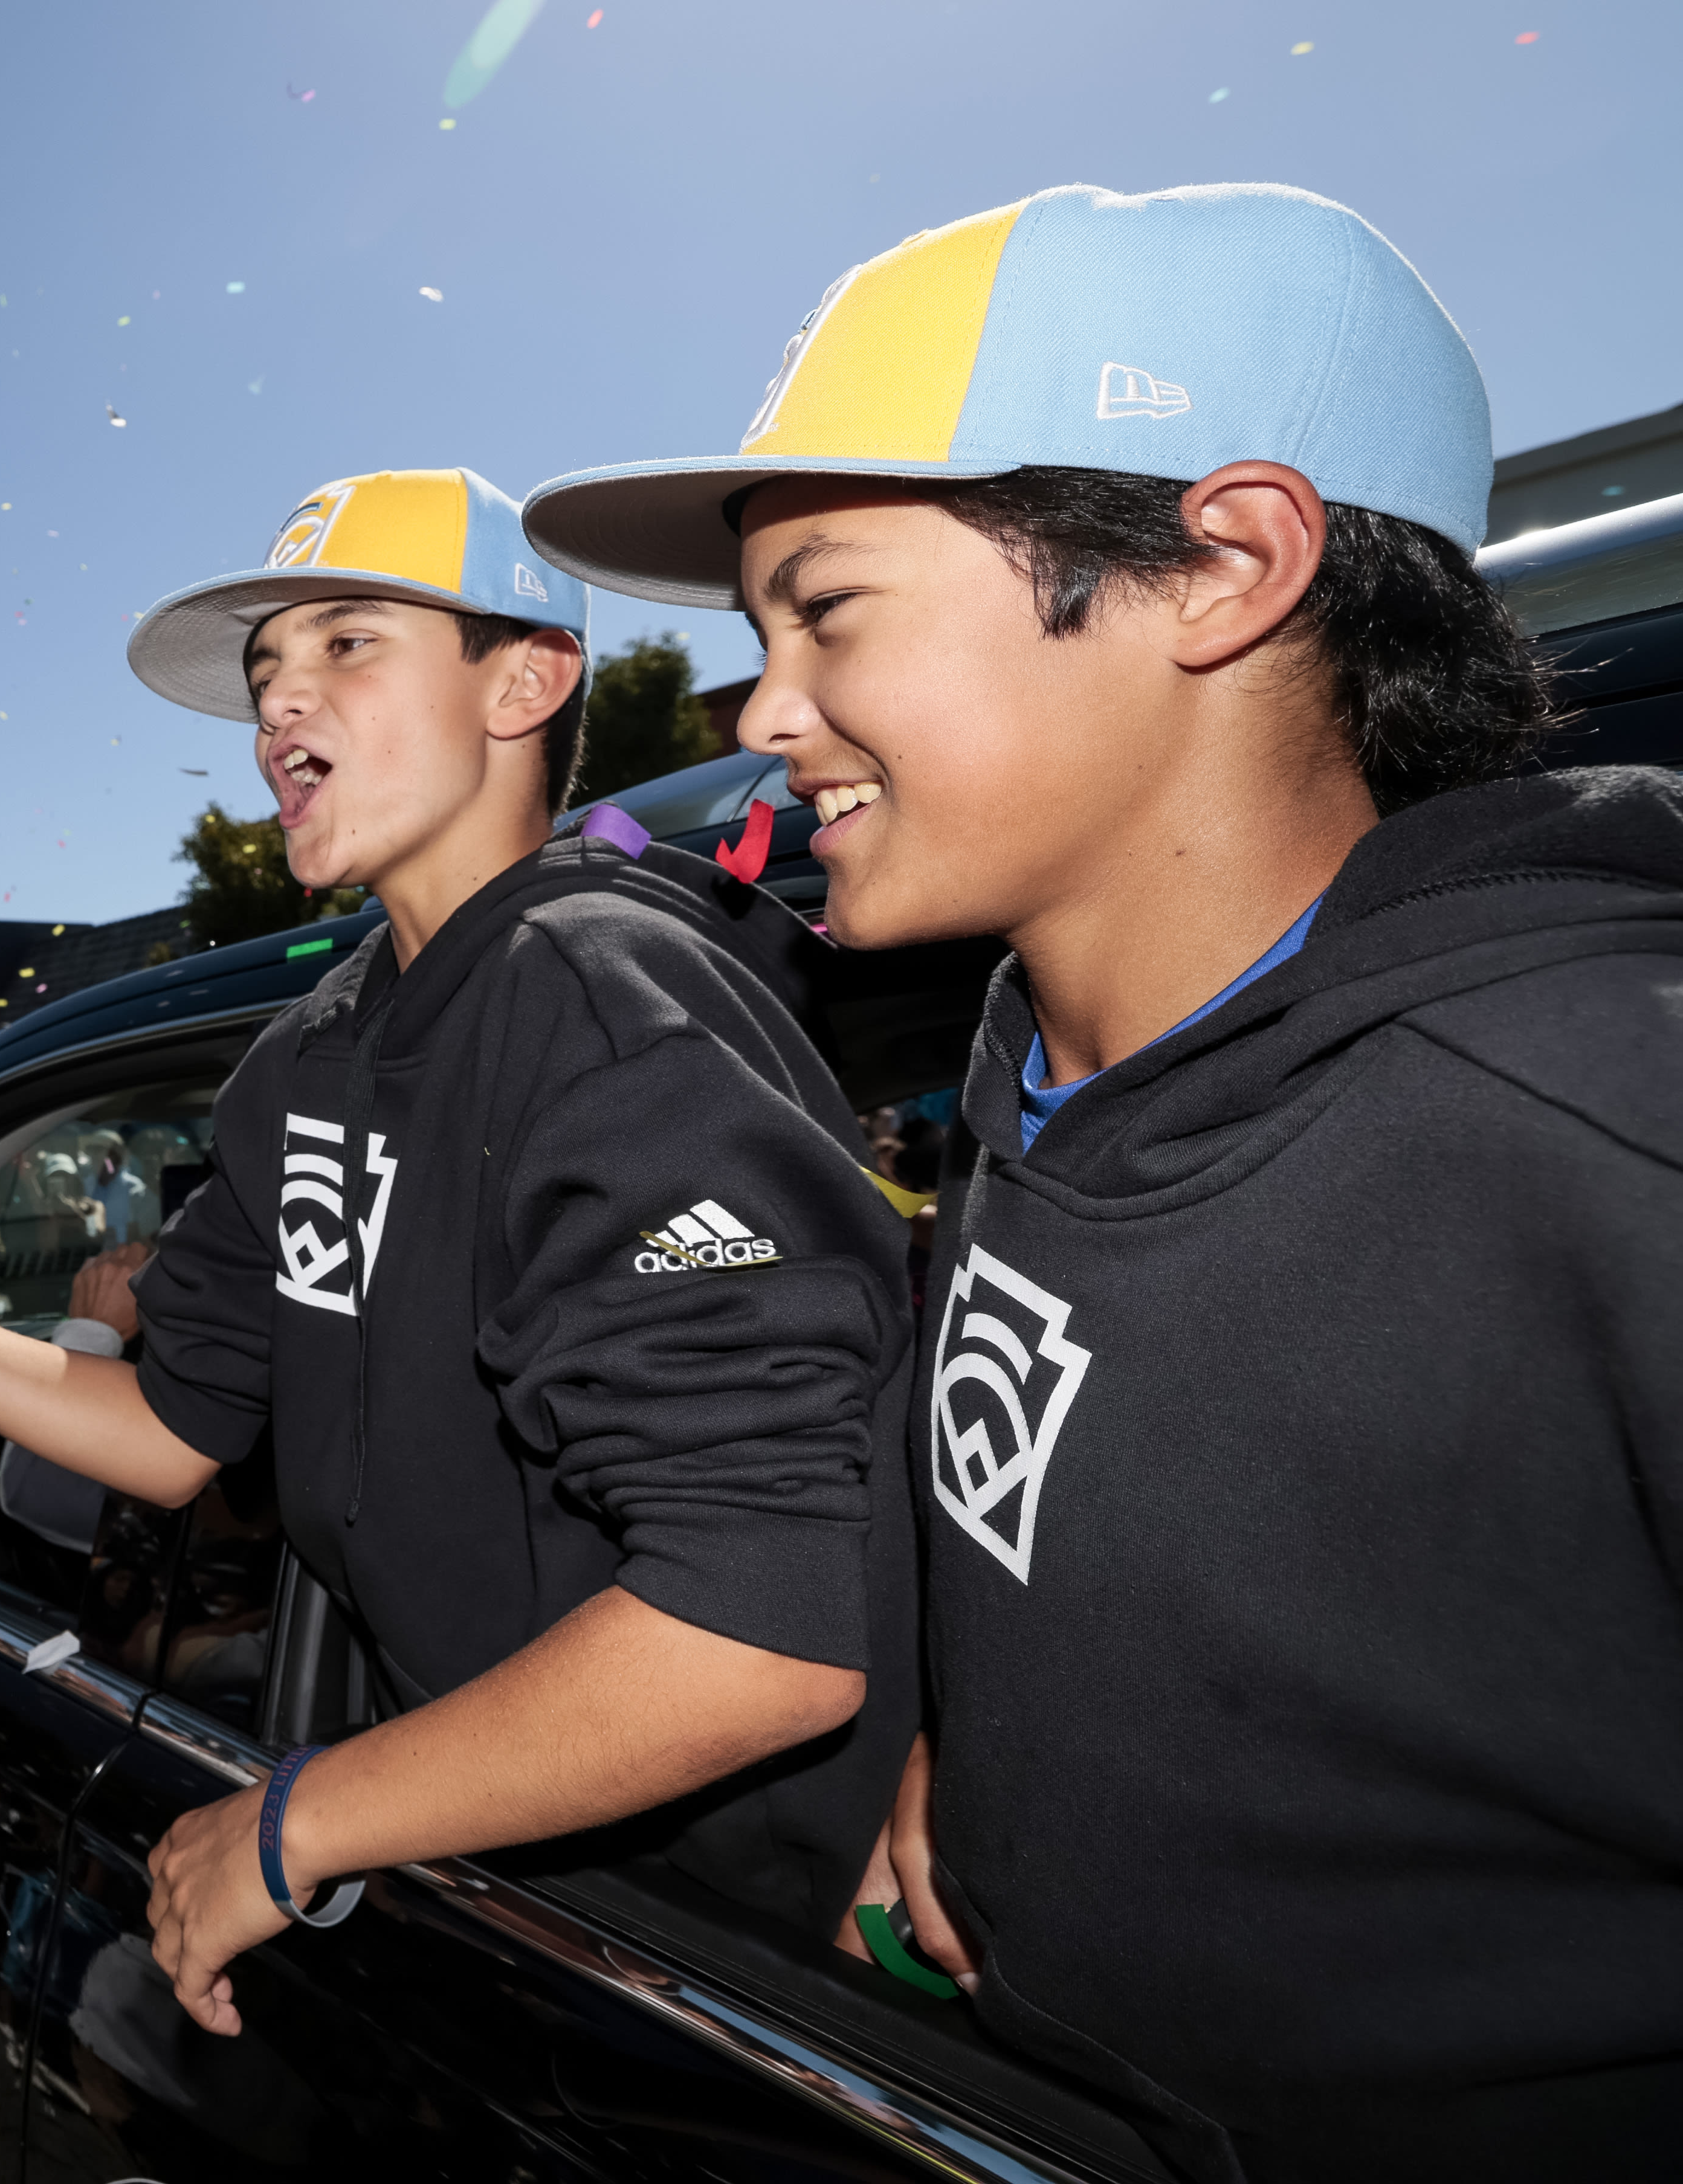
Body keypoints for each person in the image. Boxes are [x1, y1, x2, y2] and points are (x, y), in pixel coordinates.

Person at [523, 181, 1683, 2179]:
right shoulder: (1038, 1081)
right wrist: (981, 1753)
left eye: (826, 606)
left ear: (1222, 566)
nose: (761, 712)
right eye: (754, 633)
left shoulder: (1602, 1129)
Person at [0, 465, 923, 2038]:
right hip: (483, 1902)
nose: (276, 705)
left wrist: (293, 1817)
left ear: (521, 680)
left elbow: (758, 1630)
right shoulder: (308, 1056)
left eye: (342, 645)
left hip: (718, 1961)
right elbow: (171, 1427)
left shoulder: (600, 996)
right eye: (261, 675)